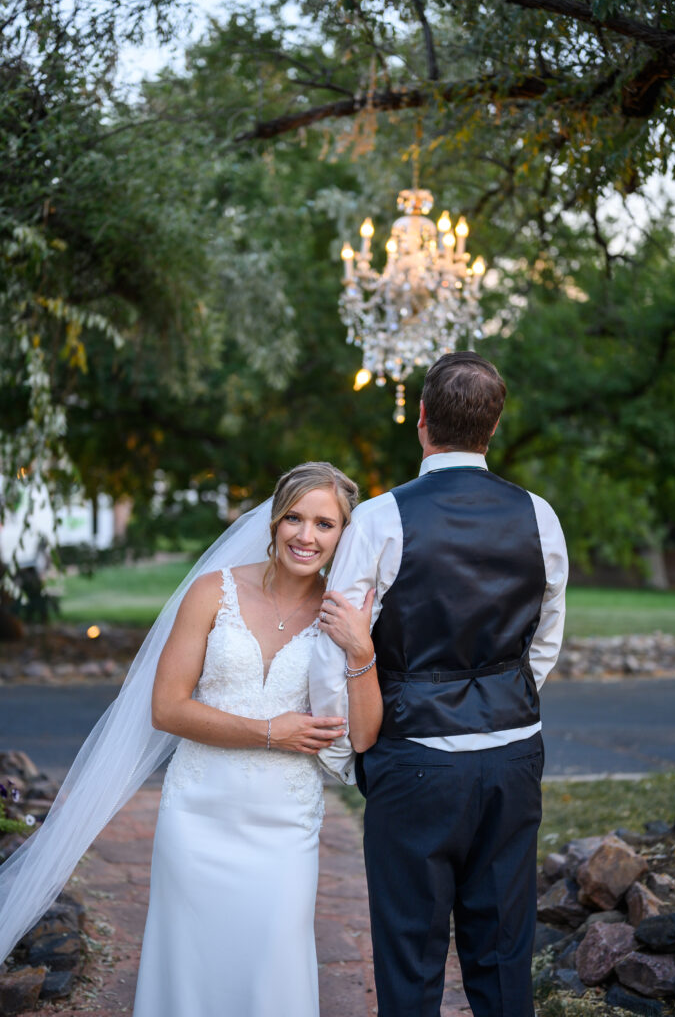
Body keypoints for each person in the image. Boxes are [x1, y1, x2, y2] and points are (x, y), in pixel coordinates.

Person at [0, 462, 381, 1017]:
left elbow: (365, 734)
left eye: (325, 524)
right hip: (199, 809)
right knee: (190, 961)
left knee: (272, 959)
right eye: (295, 518)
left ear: (343, 534)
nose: (306, 535)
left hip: (285, 820)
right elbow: (167, 707)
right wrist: (271, 731)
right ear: (274, 521)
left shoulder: (344, 612)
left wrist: (362, 651)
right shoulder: (212, 591)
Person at [310, 352, 569, 1017]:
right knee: (504, 948)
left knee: (409, 950)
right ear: (494, 425)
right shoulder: (538, 516)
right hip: (512, 755)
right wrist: (504, 707)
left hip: (412, 758)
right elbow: (543, 641)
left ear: (421, 421)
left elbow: (336, 643)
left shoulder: (378, 517)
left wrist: (346, 755)